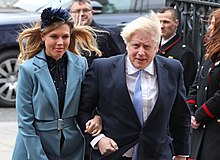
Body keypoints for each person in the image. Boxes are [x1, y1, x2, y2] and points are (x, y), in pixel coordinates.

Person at [78, 11, 191, 160]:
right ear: (126, 44)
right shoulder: (102, 68)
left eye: (147, 46)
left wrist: (181, 154)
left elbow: (180, 115)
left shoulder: (172, 69)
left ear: (157, 47)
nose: (141, 53)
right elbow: (82, 111)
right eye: (136, 45)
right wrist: (98, 139)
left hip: (157, 154)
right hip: (114, 153)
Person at [12, 7, 102, 160]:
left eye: (65, 36)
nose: (60, 43)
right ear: (42, 36)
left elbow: (90, 103)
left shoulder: (81, 64)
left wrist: (97, 117)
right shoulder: (28, 69)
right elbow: (25, 122)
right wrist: (38, 156)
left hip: (72, 146)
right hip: (35, 146)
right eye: (54, 36)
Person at [187, 8, 220, 160]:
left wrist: (200, 115)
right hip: (200, 128)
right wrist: (191, 110)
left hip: (214, 130)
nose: (210, 28)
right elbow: (197, 83)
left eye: (214, 24)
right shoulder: (210, 53)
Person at [70, 0, 125, 66]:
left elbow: (118, 61)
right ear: (71, 14)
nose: (82, 14)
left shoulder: (104, 34)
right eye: (77, 11)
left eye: (85, 10)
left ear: (92, 12)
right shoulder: (67, 35)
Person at [156, 7, 197, 94]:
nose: (161, 26)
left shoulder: (185, 53)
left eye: (166, 22)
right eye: (158, 22)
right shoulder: (154, 46)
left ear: (176, 23)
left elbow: (186, 86)